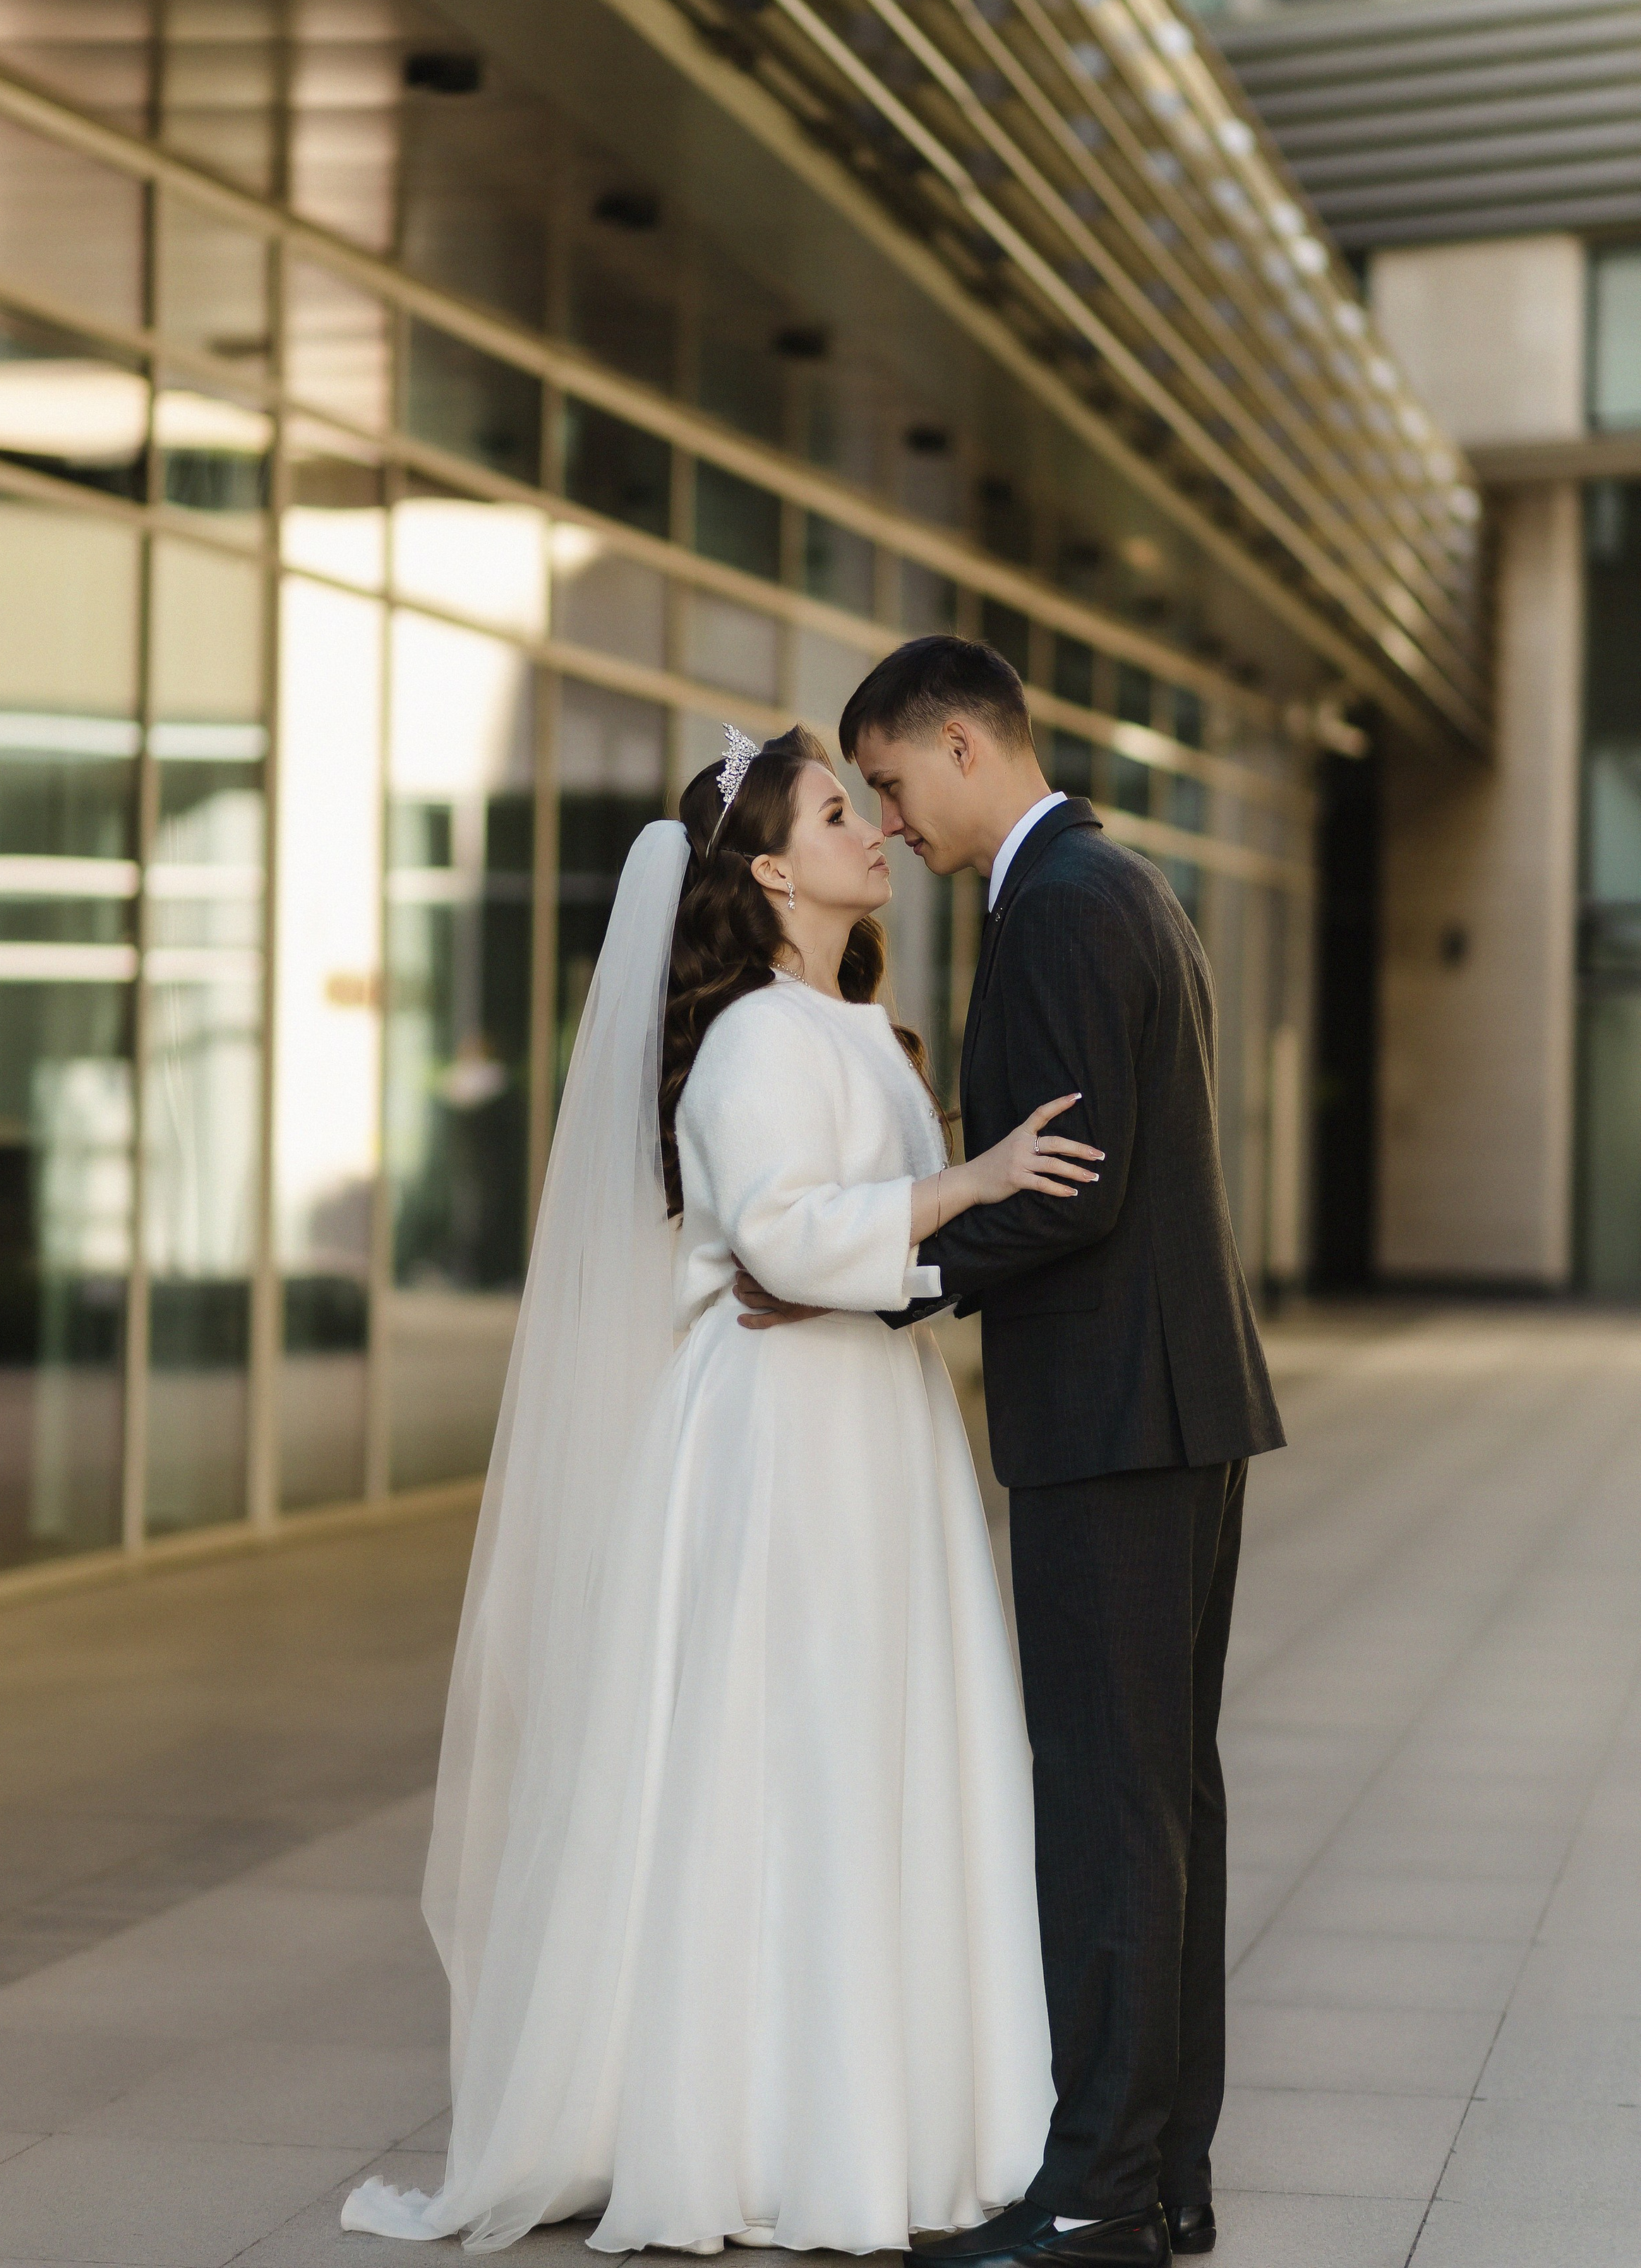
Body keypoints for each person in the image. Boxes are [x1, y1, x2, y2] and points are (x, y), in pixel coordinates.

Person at [342, 722, 1102, 2255]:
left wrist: (931, 1232)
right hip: (782, 1437)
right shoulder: (753, 1035)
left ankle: (890, 2119)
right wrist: (964, 1184)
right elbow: (781, 1236)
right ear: (769, 873)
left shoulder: (856, 1024)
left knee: (880, 1746)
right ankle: (766, 2130)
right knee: (795, 1759)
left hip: (873, 1418)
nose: (872, 830)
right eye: (835, 814)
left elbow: (861, 1250)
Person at [740, 638, 1285, 2268]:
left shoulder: (1054, 907)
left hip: (1114, 1423)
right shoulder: (1118, 885)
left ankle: (1095, 2196)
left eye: (892, 783)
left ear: (962, 747)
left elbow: (1067, 1190)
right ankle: (1159, 2176)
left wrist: (881, 1282)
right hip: (1169, 1411)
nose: (890, 821)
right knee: (1162, 1801)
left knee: (1113, 1812)